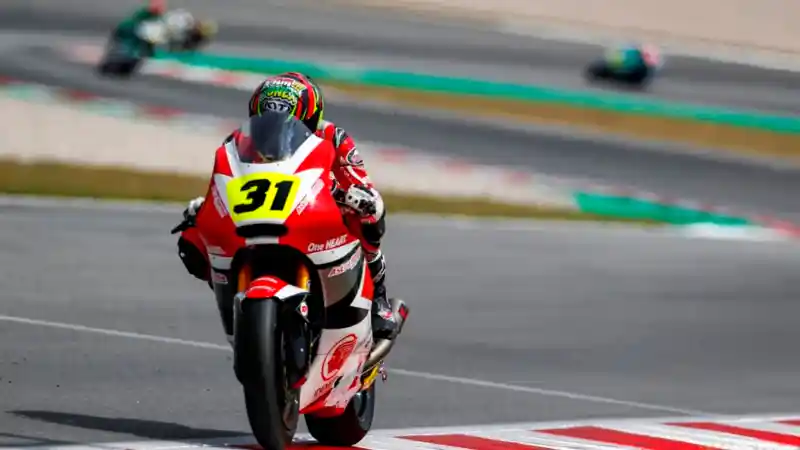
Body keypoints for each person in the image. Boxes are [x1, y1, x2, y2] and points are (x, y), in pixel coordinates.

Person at [176, 72, 399, 343]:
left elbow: (359, 181)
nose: (277, 125)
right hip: (260, 214)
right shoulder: (238, 143)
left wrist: (353, 194)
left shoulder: (334, 137)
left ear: (309, 117)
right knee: (191, 241)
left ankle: (378, 298)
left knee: (371, 214)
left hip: (319, 209)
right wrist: (207, 205)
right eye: (269, 116)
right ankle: (236, 297)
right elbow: (226, 180)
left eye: (287, 117)